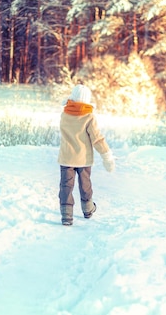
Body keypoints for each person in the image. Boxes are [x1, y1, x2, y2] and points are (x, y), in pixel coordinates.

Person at [58, 84, 115, 226]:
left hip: (66, 157)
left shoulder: (65, 114)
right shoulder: (89, 117)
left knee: (66, 186)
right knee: (85, 185)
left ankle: (66, 215)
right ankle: (88, 209)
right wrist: (106, 155)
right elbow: (97, 139)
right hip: (83, 159)